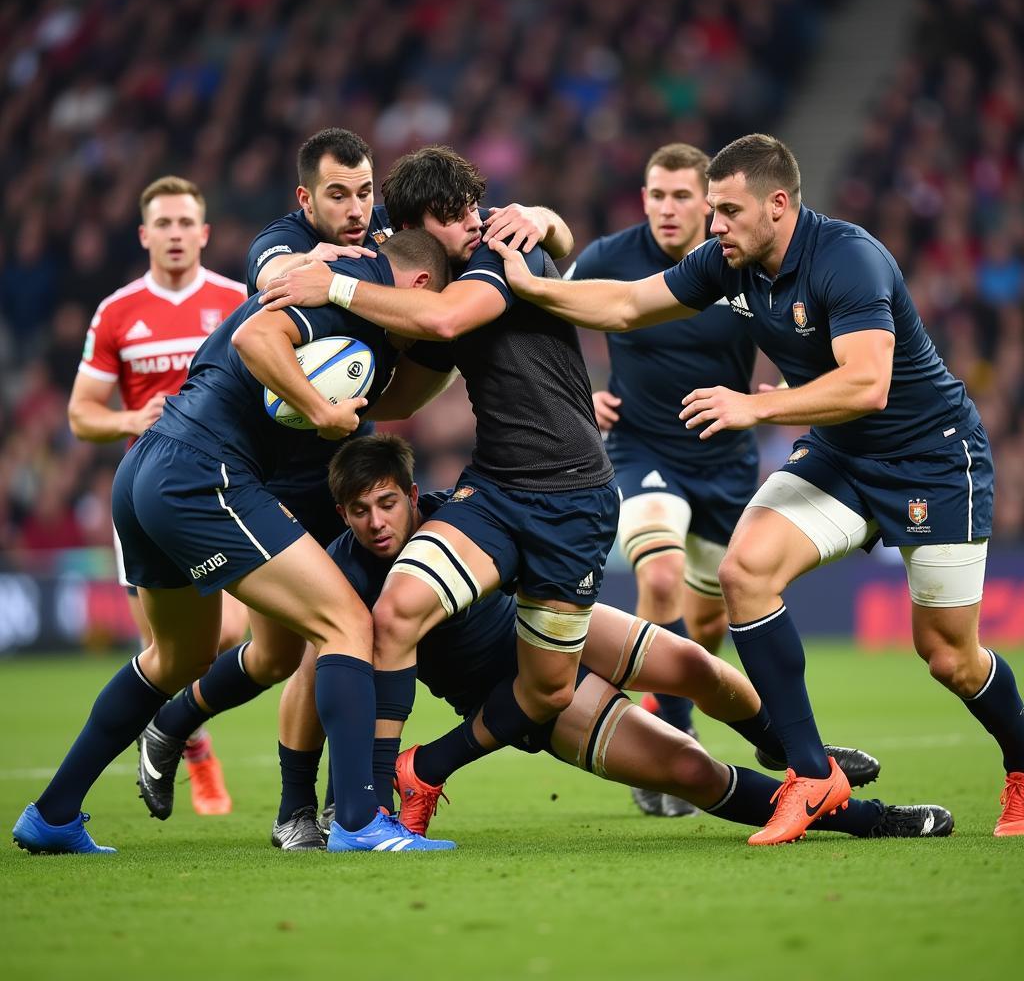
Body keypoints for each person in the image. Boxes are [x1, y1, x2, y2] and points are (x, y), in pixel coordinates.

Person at [488, 132, 1024, 845]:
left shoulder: (849, 258)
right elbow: (624, 305)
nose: (713, 227)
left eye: (727, 211)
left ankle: (1021, 766)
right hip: (838, 458)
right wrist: (532, 289)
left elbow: (868, 384)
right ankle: (809, 774)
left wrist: (755, 407)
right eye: (711, 211)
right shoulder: (728, 260)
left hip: (930, 461)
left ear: (778, 205)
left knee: (949, 657)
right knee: (745, 573)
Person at [274, 432, 949, 850]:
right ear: (342, 514)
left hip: (548, 628)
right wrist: (304, 802)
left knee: (693, 663)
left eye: (386, 504)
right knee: (690, 769)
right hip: (514, 696)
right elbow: (319, 675)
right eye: (359, 512)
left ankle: (796, 754)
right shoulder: (346, 575)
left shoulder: (455, 513)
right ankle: (870, 821)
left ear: (411, 493)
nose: (376, 523)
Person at [11, 229, 459, 855]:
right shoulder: (341, 293)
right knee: (346, 625)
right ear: (416, 285)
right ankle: (358, 820)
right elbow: (254, 337)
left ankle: (53, 814)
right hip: (205, 472)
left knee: (178, 658)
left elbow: (405, 382)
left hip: (146, 468)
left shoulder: (342, 287)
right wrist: (320, 409)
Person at [260, 145, 618, 824]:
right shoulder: (428, 284)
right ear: (418, 229)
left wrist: (335, 292)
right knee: (373, 616)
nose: (475, 222)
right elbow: (399, 400)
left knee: (577, 685)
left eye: (474, 207)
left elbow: (451, 316)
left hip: (577, 495)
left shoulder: (493, 258)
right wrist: (340, 371)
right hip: (499, 491)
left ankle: (794, 749)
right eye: (455, 216)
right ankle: (363, 808)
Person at [567, 143, 759, 817]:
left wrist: (794, 385)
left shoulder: (741, 261)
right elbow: (543, 319)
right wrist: (579, 394)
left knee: (704, 623)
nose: (669, 208)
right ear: (642, 198)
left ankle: (662, 702)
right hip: (642, 450)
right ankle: (676, 743)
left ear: (709, 203)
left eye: (683, 196)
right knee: (658, 578)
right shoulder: (606, 259)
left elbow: (810, 325)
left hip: (728, 463)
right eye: (657, 195)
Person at [67, 175, 249, 817]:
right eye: (163, 225)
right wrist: (129, 420)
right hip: (148, 498)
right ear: (145, 235)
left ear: (203, 233)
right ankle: (192, 749)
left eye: (185, 224)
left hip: (223, 490)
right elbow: (81, 414)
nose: (175, 234)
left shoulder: (236, 298)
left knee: (232, 629)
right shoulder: (117, 312)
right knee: (169, 654)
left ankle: (172, 729)